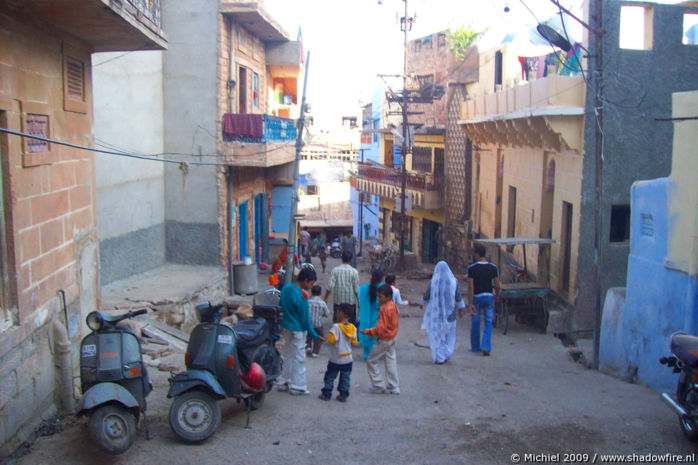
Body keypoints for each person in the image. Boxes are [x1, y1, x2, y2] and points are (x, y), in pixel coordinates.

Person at [277, 267, 325, 395]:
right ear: (305, 280)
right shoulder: (302, 295)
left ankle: (284, 380)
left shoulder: (286, 288)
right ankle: (297, 385)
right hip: (298, 329)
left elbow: (280, 306)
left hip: (287, 327)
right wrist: (314, 335)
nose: (311, 286)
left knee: (288, 355)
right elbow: (306, 319)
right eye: (311, 283)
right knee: (299, 357)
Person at [420, 261, 467, 364]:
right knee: (450, 335)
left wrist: (422, 304)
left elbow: (427, 295)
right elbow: (458, 297)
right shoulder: (454, 282)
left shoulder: (434, 282)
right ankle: (446, 353)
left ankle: (440, 356)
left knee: (439, 334)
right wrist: (461, 310)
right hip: (450, 314)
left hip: (436, 314)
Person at [361, 285, 400, 395]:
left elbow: (380, 328)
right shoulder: (393, 306)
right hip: (393, 337)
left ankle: (378, 384)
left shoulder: (384, 308)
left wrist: (369, 332)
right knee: (391, 360)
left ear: (388, 297)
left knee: (371, 360)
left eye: (381, 297)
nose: (379, 299)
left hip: (384, 339)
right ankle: (394, 385)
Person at [319, 304, 358, 402]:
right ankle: (343, 394)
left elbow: (332, 340)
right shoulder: (353, 328)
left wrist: (327, 337)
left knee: (330, 376)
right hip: (348, 358)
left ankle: (326, 393)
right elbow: (354, 342)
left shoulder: (336, 327)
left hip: (335, 358)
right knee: (345, 378)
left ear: (340, 314)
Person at [467, 244, 501, 356]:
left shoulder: (472, 268)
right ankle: (486, 346)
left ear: (477, 254)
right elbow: (497, 284)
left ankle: (475, 347)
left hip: (477, 297)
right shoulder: (493, 267)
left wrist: (470, 302)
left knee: (475, 322)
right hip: (489, 296)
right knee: (488, 321)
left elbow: (471, 286)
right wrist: (497, 295)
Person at [324, 251, 359, 323]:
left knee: (337, 323)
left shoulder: (335, 270)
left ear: (342, 259)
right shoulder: (354, 272)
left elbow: (330, 286)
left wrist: (325, 297)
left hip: (338, 303)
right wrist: (359, 302)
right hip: (351, 303)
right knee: (351, 324)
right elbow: (356, 289)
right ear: (350, 259)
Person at [358, 269, 384, 360]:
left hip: (366, 315)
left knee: (367, 334)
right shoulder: (383, 288)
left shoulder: (363, 288)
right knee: (375, 335)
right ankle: (372, 354)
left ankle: (367, 354)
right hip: (377, 316)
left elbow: (359, 297)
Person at [306, 285, 330, 358]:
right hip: (318, 324)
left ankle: (308, 347)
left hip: (309, 323)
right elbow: (327, 313)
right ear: (320, 293)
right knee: (318, 339)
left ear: (311, 292)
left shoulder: (308, 301)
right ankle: (315, 352)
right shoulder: (322, 303)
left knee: (308, 336)